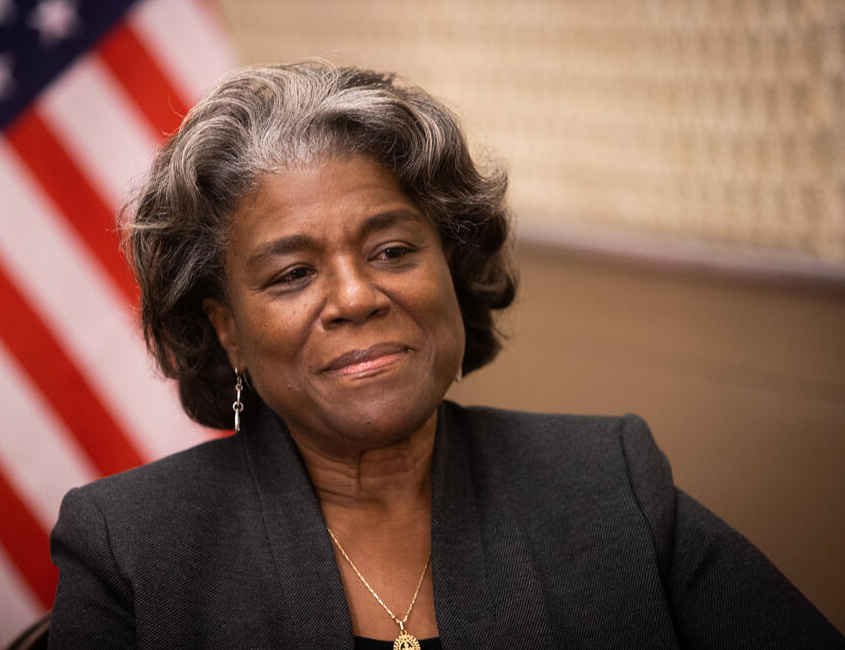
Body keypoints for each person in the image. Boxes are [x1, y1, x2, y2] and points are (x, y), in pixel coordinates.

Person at [48, 61, 843, 649]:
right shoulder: (131, 547)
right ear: (227, 329)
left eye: (392, 251)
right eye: (292, 274)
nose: (357, 296)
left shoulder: (613, 483)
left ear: (452, 270)